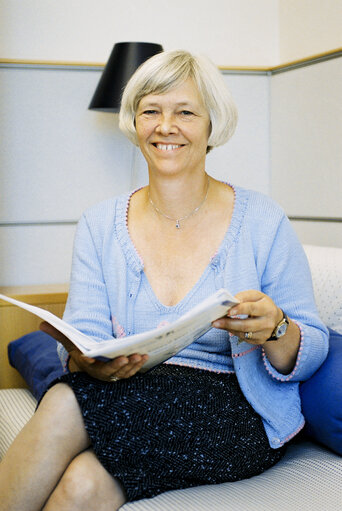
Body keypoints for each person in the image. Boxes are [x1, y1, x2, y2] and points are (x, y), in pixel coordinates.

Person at [0, 50, 328, 511]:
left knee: (63, 404)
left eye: (185, 112)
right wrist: (90, 363)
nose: (165, 126)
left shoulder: (263, 220)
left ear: (212, 124)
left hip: (233, 409)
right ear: (134, 123)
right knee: (81, 484)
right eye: (150, 111)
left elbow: (311, 346)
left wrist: (276, 328)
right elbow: (81, 338)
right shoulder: (99, 224)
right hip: (132, 392)